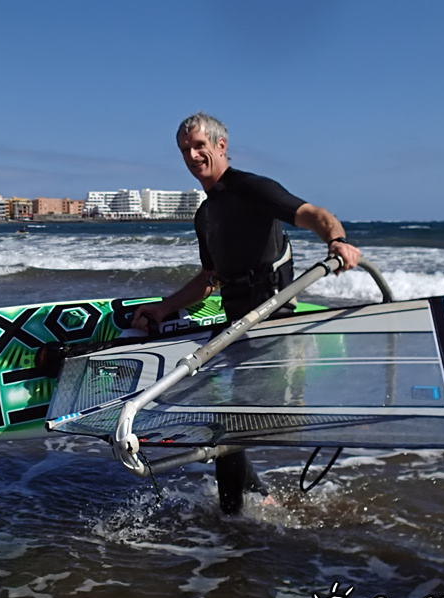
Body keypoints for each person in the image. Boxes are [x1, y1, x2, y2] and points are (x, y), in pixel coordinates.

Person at [132, 112, 361, 515]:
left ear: (221, 146)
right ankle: (257, 507)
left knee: (226, 428)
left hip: (273, 330)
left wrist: (337, 241)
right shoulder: (206, 214)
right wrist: (164, 308)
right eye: (185, 149)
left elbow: (313, 214)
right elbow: (210, 278)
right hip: (236, 332)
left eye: (200, 146)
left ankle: (233, 523)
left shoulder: (253, 189)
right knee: (223, 426)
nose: (193, 155)